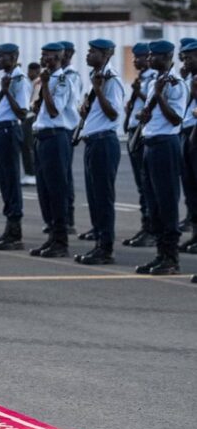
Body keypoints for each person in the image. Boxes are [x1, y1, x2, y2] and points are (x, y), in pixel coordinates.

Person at [134, 40, 187, 275]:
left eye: (153, 56)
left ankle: (171, 259)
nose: (149, 59)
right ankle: (160, 254)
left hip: (166, 144)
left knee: (166, 203)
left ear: (166, 58)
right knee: (153, 203)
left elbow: (176, 119)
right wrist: (144, 114)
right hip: (151, 144)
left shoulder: (176, 84)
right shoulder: (157, 80)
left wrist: (159, 97)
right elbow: (153, 115)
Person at [73, 39, 124, 265]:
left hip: (104, 141)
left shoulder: (111, 80)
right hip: (93, 141)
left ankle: (106, 248)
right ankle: (98, 244)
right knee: (94, 197)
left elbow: (113, 114)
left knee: (103, 197)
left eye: (93, 51)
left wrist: (98, 91)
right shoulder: (97, 78)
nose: (88, 54)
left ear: (105, 55)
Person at [0, 43, 31, 251]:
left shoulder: (19, 80)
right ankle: (9, 229)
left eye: (1, 56)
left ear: (13, 57)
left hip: (9, 132)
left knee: (11, 181)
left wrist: (6, 92)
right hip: (0, 131)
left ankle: (15, 232)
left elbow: (22, 113)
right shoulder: (9, 79)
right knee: (4, 182)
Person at [29, 42, 72, 258]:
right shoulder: (46, 80)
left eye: (47, 56)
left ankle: (61, 242)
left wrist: (45, 86)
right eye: (42, 55)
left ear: (58, 58)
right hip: (42, 138)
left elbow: (55, 111)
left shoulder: (62, 80)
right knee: (44, 192)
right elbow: (44, 109)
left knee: (56, 192)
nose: (43, 59)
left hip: (56, 139)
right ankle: (52, 237)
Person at [122, 42, 158, 248]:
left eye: (140, 57)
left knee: (148, 184)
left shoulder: (153, 79)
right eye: (135, 58)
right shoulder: (142, 79)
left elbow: (152, 104)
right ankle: (146, 225)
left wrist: (139, 92)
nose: (136, 61)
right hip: (134, 131)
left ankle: (152, 228)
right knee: (141, 184)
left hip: (144, 132)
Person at [177, 42, 197, 253]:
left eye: (190, 58)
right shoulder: (187, 79)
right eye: (184, 58)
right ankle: (195, 234)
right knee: (190, 189)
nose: (185, 62)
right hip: (186, 133)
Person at [59, 41, 81, 235]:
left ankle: (68, 217)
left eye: (64, 53)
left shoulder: (70, 76)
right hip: (57, 127)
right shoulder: (57, 75)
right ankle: (60, 217)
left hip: (65, 127)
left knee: (64, 174)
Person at [21, 62, 40, 186]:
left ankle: (32, 173)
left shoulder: (39, 83)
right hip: (29, 116)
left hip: (32, 117)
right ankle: (31, 173)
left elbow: (34, 102)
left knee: (28, 146)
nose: (28, 74)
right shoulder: (30, 82)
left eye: (31, 71)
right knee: (27, 146)